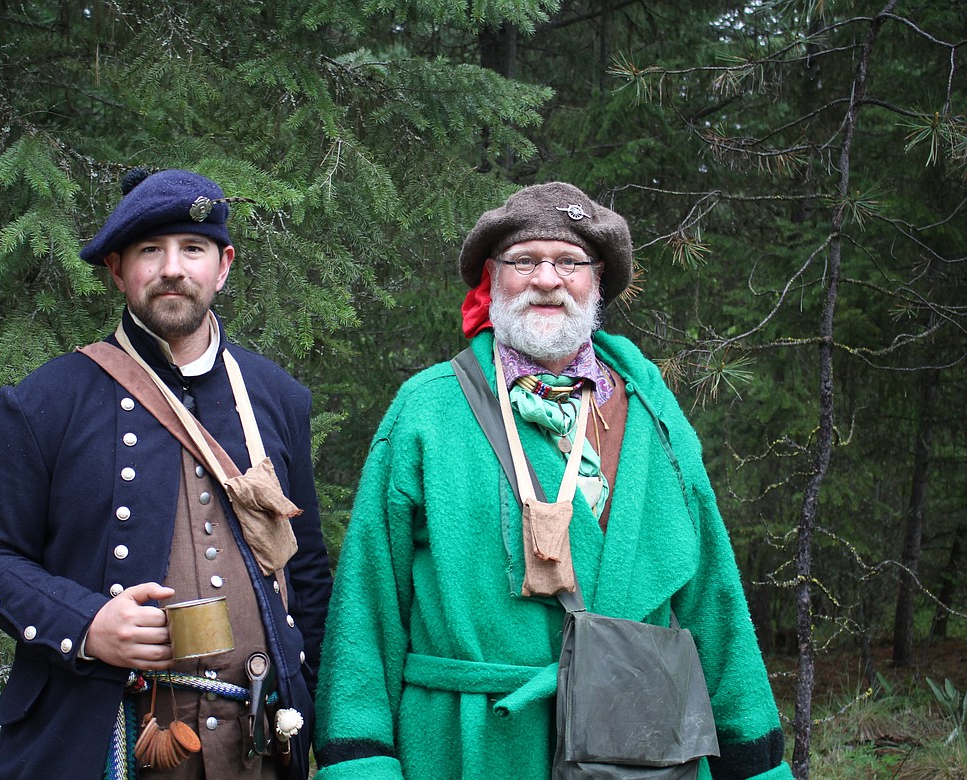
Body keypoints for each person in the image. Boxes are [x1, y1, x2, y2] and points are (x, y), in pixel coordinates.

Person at [312, 182, 792, 779]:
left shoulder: (653, 420)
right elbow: (369, 601)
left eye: (569, 263)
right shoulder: (427, 413)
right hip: (470, 748)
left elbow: (714, 597)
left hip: (636, 751)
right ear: (493, 279)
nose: (547, 279)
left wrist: (753, 758)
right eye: (524, 262)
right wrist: (360, 761)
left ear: (596, 284)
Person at [0, 168, 332, 780]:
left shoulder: (276, 397)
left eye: (193, 249)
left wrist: (310, 704)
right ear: (116, 270)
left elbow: (307, 572)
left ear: (224, 264)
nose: (172, 268)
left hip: (259, 742)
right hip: (107, 733)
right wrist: (87, 624)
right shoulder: (45, 401)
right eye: (149, 251)